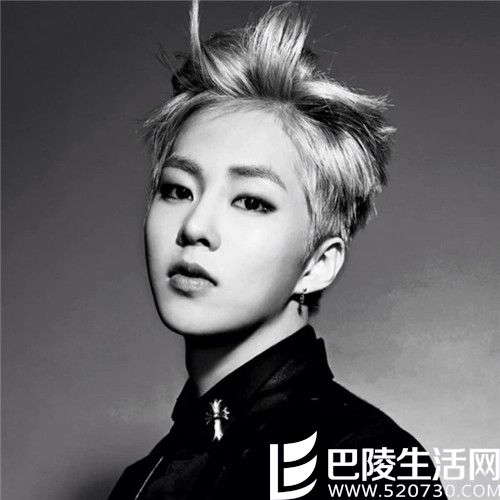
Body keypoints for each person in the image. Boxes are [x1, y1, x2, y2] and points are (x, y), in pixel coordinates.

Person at [108, 2, 446, 499]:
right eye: (178, 190)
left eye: (251, 201)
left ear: (319, 264)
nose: (195, 226)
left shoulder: (370, 465)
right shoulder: (143, 480)